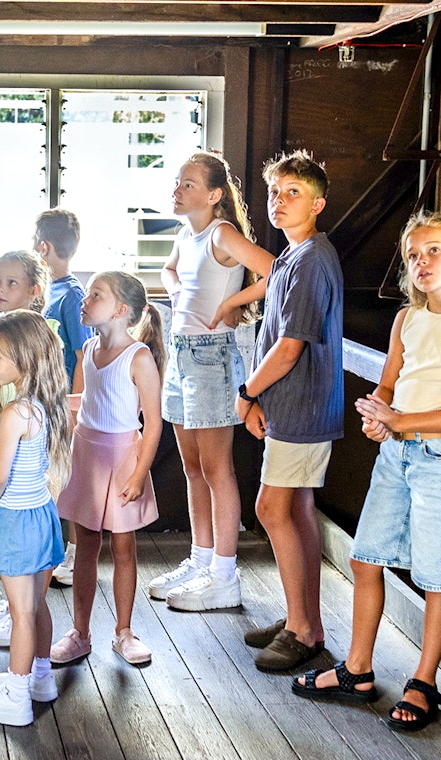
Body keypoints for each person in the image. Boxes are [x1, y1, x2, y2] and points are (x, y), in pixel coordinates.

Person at [292, 212, 441, 732]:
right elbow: (389, 384)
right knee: (366, 559)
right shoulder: (407, 318)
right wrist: (378, 417)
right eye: (413, 255)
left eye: (433, 251)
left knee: (437, 577)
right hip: (396, 458)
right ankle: (357, 671)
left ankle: (423, 682)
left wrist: (401, 418)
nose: (422, 262)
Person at [148, 152, 275, 612]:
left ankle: (224, 574)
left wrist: (231, 304)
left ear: (214, 195)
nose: (177, 190)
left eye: (188, 184)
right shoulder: (188, 233)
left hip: (211, 356)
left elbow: (276, 269)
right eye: (178, 182)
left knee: (217, 468)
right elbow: (168, 269)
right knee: (192, 467)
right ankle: (200, 560)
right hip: (181, 354)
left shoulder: (222, 234)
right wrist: (177, 290)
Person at [235, 150, 342, 671]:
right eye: (276, 192)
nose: (280, 200)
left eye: (293, 192)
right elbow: (271, 336)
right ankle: (302, 618)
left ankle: (304, 630)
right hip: (289, 406)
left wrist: (247, 391)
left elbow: (290, 347)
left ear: (318, 203)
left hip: (303, 406)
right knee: (296, 508)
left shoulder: (313, 260)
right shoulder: (291, 256)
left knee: (271, 509)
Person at [49, 272, 165, 666]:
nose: (85, 299)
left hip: (122, 459)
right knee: (84, 546)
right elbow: (87, 399)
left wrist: (137, 474)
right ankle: (80, 632)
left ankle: (124, 632)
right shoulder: (88, 346)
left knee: (123, 546)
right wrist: (57, 407)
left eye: (95, 295)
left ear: (120, 310)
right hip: (87, 454)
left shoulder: (139, 357)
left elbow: (153, 422)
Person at [0, 310, 72, 727]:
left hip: (16, 520)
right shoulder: (49, 405)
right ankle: (40, 678)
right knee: (37, 604)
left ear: (23, 361)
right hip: (44, 516)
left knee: (20, 612)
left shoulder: (15, 413)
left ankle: (15, 697)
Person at [0, 251, 55, 649]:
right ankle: (12, 605)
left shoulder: (40, 335)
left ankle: (20, 616)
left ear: (34, 292)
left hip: (20, 459)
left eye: (11, 282)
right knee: (6, 533)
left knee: (19, 539)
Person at [35, 209, 92, 587]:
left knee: (71, 480)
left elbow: (83, 353)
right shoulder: (46, 291)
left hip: (65, 403)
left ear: (43, 246)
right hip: (45, 401)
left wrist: (75, 402)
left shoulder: (71, 295)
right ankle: (51, 552)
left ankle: (74, 556)